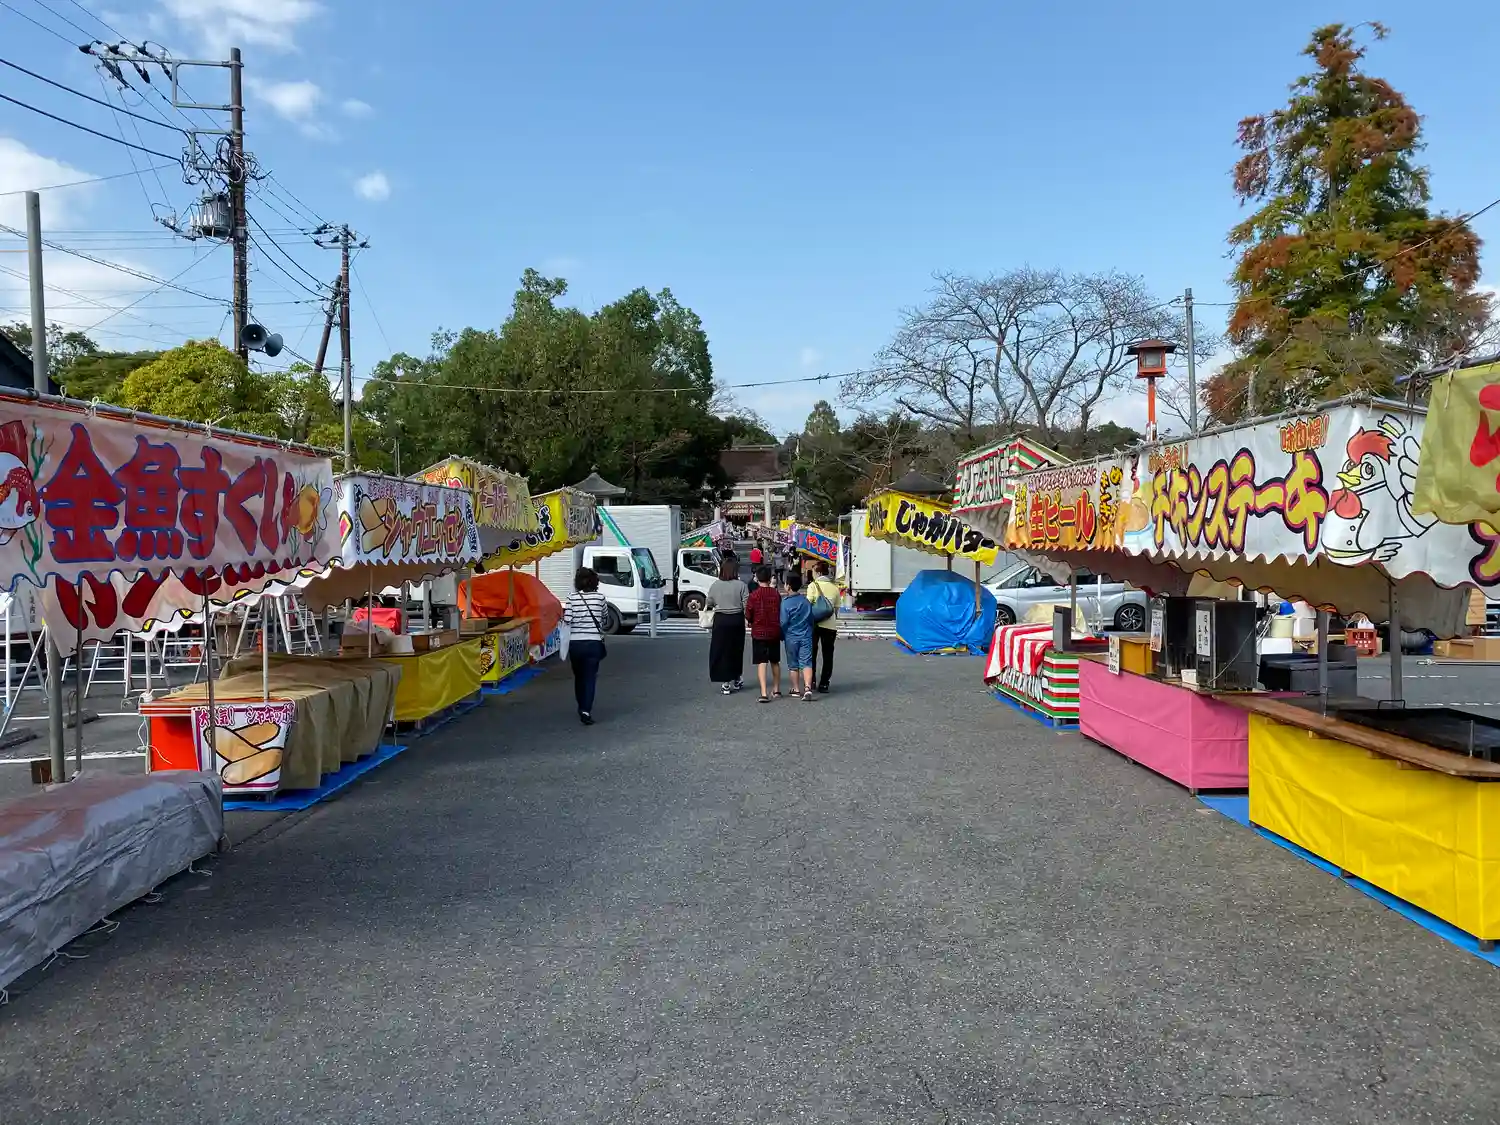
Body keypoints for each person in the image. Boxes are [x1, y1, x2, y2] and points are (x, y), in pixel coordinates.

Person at [562, 567, 609, 725]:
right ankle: (585, 710)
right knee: (590, 677)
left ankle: (580, 705)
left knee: (579, 677)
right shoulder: (600, 598)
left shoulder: (572, 598)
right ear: (595, 582)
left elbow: (567, 620)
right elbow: (605, 619)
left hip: (575, 644)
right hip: (593, 643)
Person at [707, 557, 748, 695]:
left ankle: (725, 682)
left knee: (721, 650)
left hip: (721, 620)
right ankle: (737, 678)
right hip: (736, 619)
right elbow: (746, 603)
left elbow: (709, 602)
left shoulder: (715, 585)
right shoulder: (741, 585)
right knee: (736, 650)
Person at [745, 565, 783, 702]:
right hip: (774, 631)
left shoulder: (754, 595)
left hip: (759, 632)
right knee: (775, 661)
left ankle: (763, 692)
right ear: (769, 578)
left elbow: (748, 613)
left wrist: (750, 621)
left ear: (757, 578)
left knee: (762, 662)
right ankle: (776, 689)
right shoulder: (776, 594)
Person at [779, 573, 817, 701]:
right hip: (806, 635)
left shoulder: (785, 603)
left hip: (791, 637)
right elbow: (811, 619)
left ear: (788, 586)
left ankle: (795, 689)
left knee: (793, 664)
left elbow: (783, 622)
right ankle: (808, 687)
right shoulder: (805, 601)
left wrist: (782, 633)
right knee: (806, 662)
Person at [807, 559, 840, 693]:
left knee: (811, 653)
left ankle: (811, 680)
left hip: (814, 624)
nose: (813, 574)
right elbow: (836, 609)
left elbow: (808, 605)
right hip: (830, 626)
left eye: (814, 571)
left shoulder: (813, 586)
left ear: (819, 572)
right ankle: (824, 683)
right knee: (828, 655)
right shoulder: (834, 588)